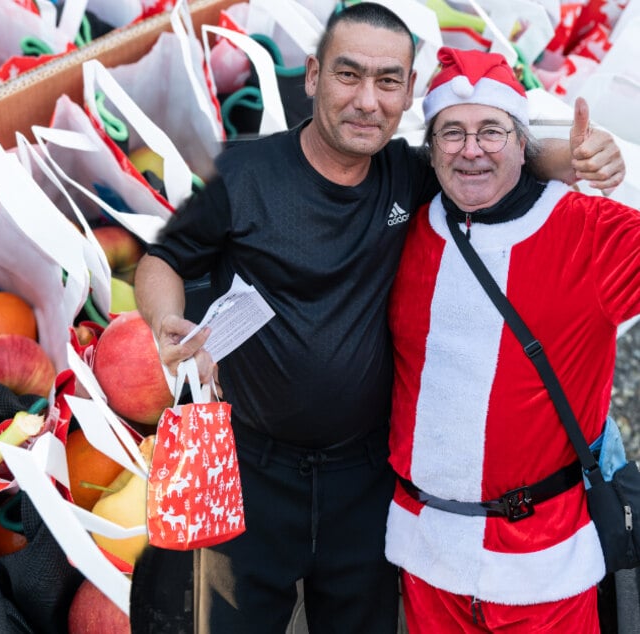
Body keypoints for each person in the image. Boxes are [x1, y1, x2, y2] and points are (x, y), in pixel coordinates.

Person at [133, 4, 625, 632]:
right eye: (349, 75)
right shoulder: (241, 173)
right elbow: (163, 257)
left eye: (388, 81)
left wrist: (567, 158)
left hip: (365, 480)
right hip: (250, 466)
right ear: (312, 77)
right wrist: (165, 318)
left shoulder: (407, 174)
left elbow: (487, 155)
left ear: (409, 94)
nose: (367, 100)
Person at [384, 46, 640, 632]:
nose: (471, 149)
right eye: (452, 132)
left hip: (545, 566)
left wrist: (605, 163)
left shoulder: (591, 232)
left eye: (491, 131)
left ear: (523, 142)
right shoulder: (402, 227)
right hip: (427, 559)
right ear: (431, 149)